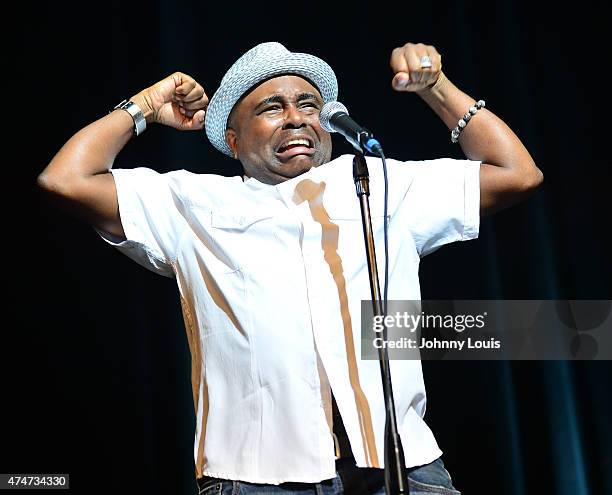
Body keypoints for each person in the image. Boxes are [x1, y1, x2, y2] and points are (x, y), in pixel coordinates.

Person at [37, 41, 542, 495]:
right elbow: (66, 179)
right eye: (271, 108)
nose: (296, 118)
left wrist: (438, 89)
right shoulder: (192, 202)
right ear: (233, 141)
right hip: (259, 477)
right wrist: (144, 107)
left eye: (308, 105)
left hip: (401, 465)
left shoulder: (378, 185)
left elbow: (516, 174)